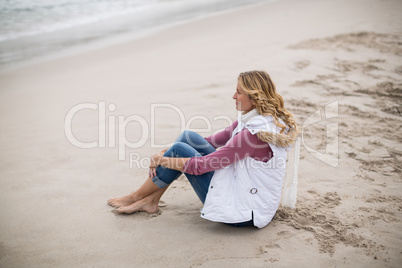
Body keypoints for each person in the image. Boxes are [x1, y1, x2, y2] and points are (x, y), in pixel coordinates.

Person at [108, 70, 299, 228]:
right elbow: (216, 140)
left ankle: (137, 196)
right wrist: (165, 152)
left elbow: (202, 166)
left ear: (254, 98)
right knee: (187, 138)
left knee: (180, 150)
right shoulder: (261, 118)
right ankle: (150, 201)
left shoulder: (251, 135)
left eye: (239, 92)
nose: (234, 96)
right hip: (254, 197)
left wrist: (162, 160)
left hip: (245, 213)